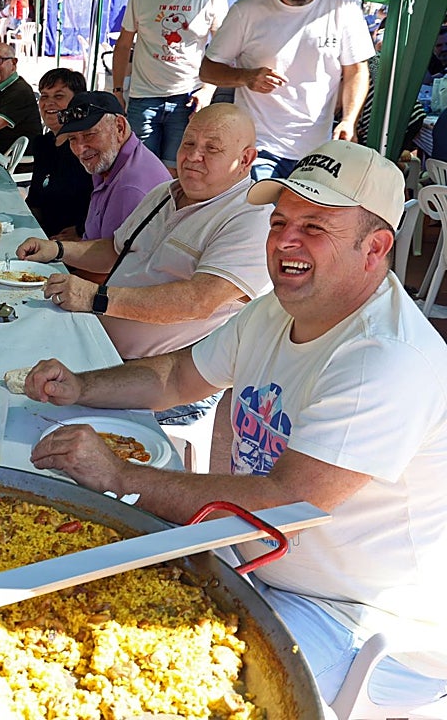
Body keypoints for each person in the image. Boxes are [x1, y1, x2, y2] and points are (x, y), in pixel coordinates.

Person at [26, 140, 447, 707]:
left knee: (165, 692)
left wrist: (121, 475)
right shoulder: (278, 308)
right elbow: (178, 375)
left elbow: (284, 505)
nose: (285, 241)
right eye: (279, 222)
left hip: (359, 616)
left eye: (314, 227)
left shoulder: (385, 356)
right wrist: (81, 386)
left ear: (374, 248)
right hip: (256, 565)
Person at [18, 103, 272, 426]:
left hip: (159, 382)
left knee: (39, 416)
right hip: (99, 346)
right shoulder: (166, 193)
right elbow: (114, 249)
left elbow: (198, 301)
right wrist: (55, 250)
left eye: (212, 148)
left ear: (246, 159)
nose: (194, 156)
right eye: (189, 143)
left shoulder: (251, 218)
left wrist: (96, 297)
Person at [201, 0, 373, 180]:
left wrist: (349, 120)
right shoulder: (246, 11)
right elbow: (208, 70)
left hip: (317, 148)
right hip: (258, 145)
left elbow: (356, 69)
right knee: (261, 218)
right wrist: (246, 77)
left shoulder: (342, 2)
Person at [112, 0, 228, 169]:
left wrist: (207, 90)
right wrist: (118, 91)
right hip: (144, 97)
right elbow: (123, 45)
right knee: (139, 169)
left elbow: (222, 48)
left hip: (187, 97)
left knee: (179, 170)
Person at [53, 90, 171, 241]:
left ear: (119, 127)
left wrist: (60, 251)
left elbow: (109, 262)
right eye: (72, 139)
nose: (79, 149)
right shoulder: (111, 162)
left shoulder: (129, 188)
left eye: (89, 135)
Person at [25, 68, 93, 239]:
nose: (48, 103)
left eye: (59, 96)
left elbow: (105, 202)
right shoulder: (43, 144)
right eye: (44, 96)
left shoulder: (87, 149)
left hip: (77, 243)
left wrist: (81, 230)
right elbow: (35, 199)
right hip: (40, 234)